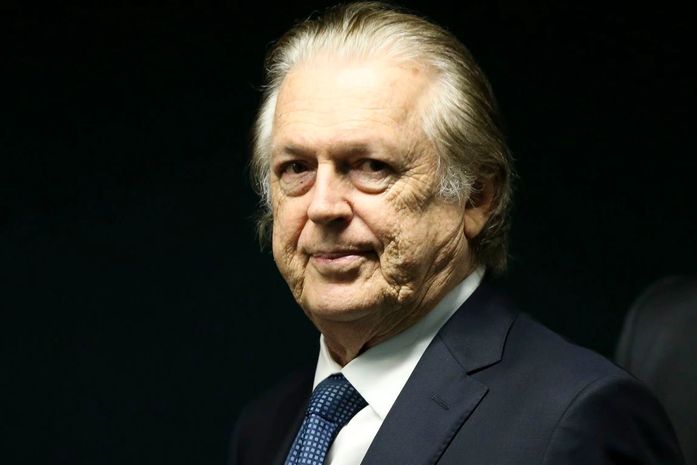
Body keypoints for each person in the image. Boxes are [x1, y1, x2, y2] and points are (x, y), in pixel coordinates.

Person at [229, 3, 684, 464]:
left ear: (475, 198)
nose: (323, 206)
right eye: (297, 168)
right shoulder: (265, 429)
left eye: (371, 166)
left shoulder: (580, 420)